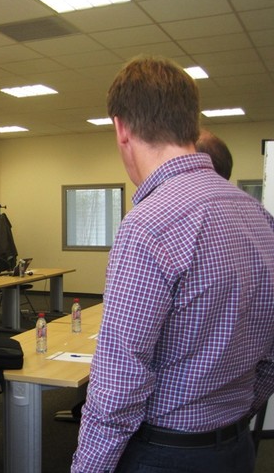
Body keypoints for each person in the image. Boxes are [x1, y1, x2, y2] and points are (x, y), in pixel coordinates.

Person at [71, 56, 274, 473]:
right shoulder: (259, 217)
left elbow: (118, 385)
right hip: (237, 449)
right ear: (188, 121)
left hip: (165, 455)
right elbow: (270, 357)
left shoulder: (148, 225)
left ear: (121, 128)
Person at [56, 129, 235, 426]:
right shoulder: (256, 216)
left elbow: (123, 372)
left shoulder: (149, 224)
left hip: (168, 435)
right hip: (231, 431)